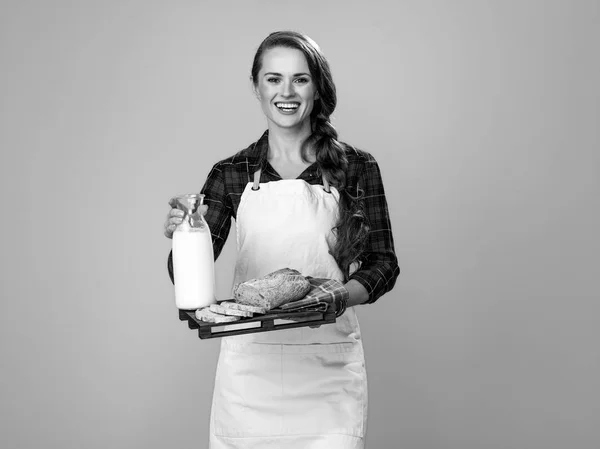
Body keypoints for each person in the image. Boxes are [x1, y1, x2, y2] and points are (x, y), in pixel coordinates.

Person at [164, 30, 399, 449]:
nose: (285, 92)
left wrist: (338, 298)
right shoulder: (231, 173)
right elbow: (185, 277)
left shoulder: (357, 167)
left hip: (328, 369)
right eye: (273, 79)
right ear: (256, 87)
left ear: (317, 87)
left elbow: (384, 263)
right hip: (251, 374)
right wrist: (188, 232)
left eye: (300, 79)